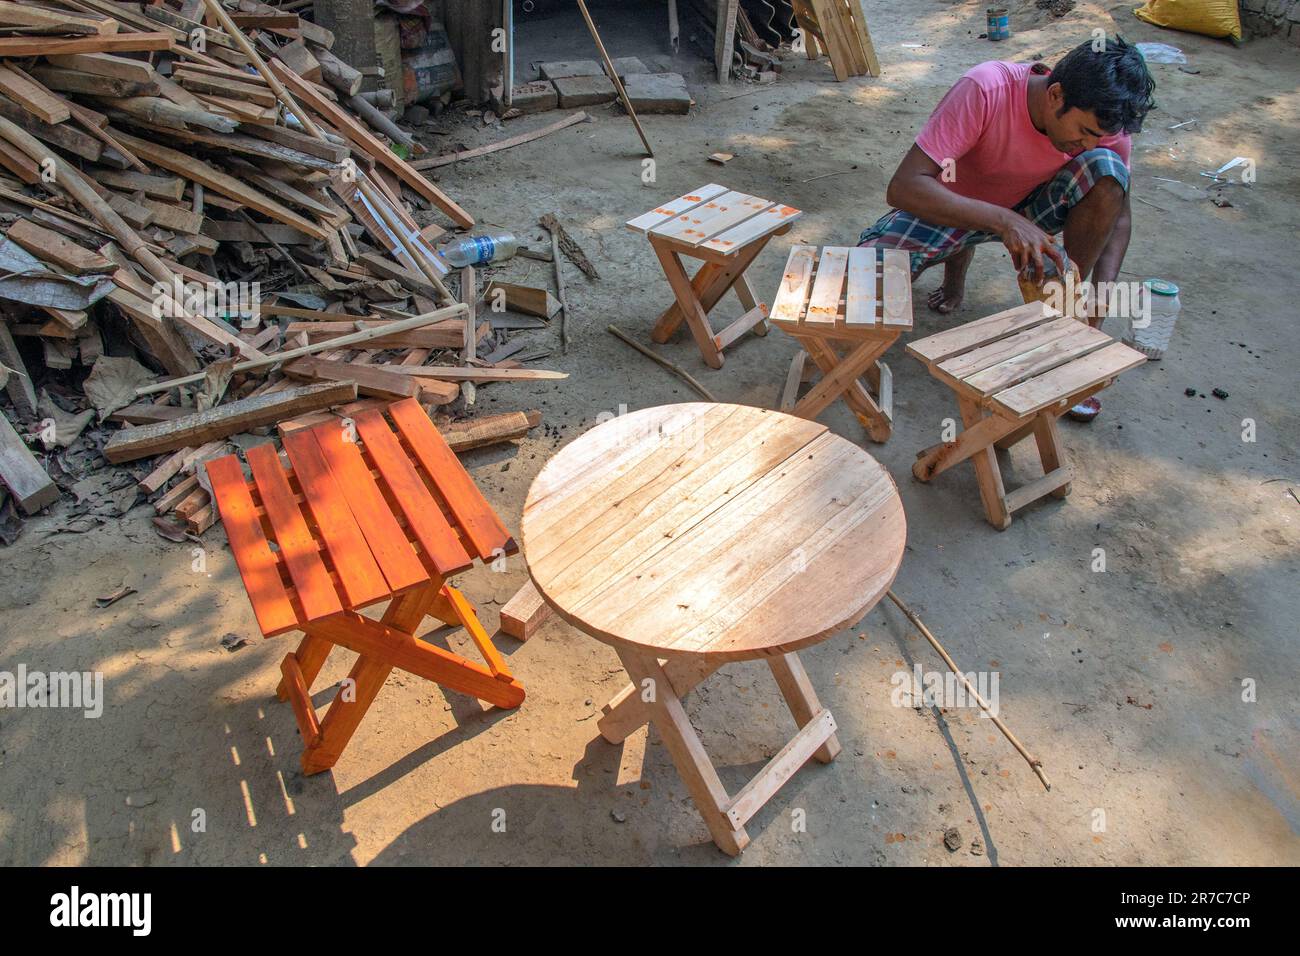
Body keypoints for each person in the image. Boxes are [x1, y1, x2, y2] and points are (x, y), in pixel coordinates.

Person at [859, 37, 1155, 418]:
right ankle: (956, 271)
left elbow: (1120, 215)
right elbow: (903, 187)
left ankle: (1064, 316)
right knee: (865, 279)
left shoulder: (1104, 120)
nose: (1086, 144)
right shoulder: (985, 88)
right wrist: (1003, 220)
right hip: (955, 203)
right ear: (1056, 95)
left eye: (1097, 136)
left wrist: (1096, 296)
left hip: (1034, 204)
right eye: (1082, 132)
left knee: (1107, 170)